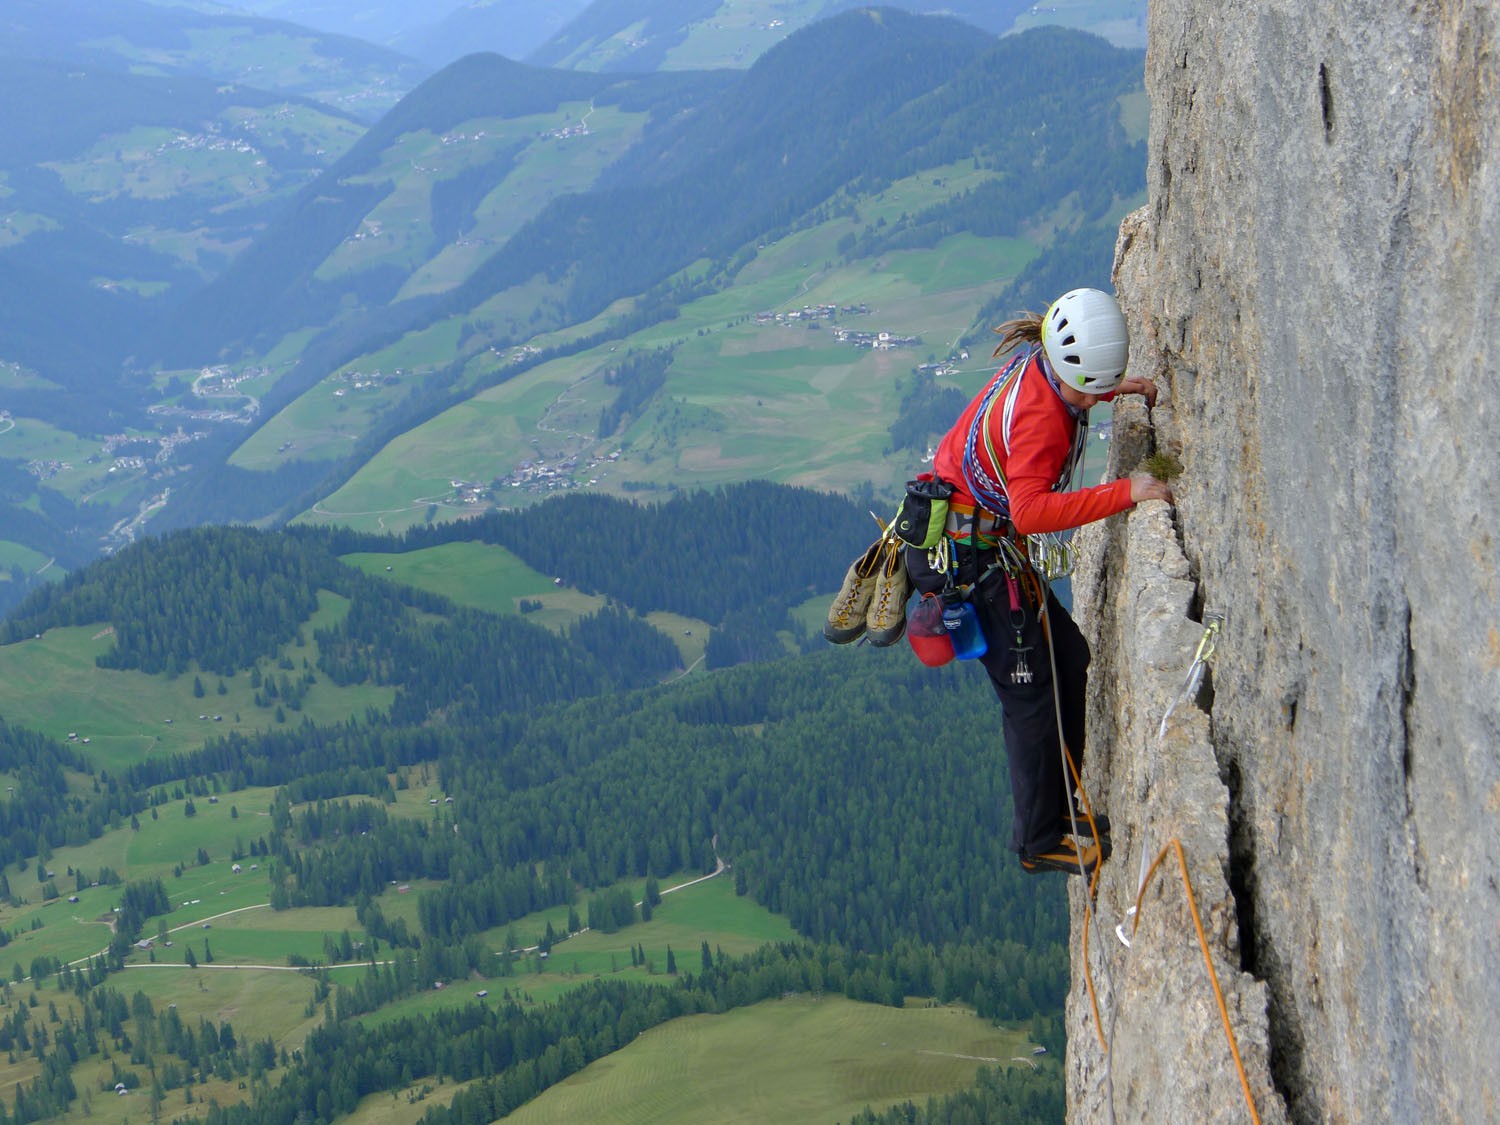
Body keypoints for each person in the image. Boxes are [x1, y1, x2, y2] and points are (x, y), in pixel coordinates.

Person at [906, 288, 1173, 877]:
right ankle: (1038, 840)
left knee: (1070, 658)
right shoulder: (1043, 419)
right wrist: (1127, 492)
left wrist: (1113, 389)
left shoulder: (1042, 366)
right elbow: (1029, 511)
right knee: (1028, 703)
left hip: (974, 543)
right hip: (972, 564)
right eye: (1098, 386)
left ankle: (1059, 805)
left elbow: (1066, 396)